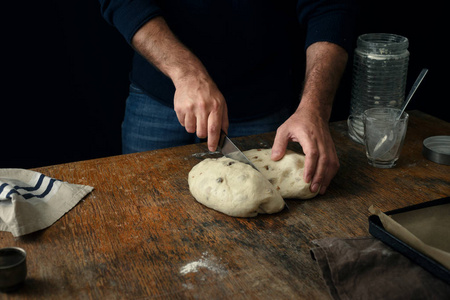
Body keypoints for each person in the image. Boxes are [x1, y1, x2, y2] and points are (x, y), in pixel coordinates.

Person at [98, 1, 356, 195]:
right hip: (157, 94)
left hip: (262, 102)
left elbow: (329, 8)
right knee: (142, 201)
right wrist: (186, 72)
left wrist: (315, 108)